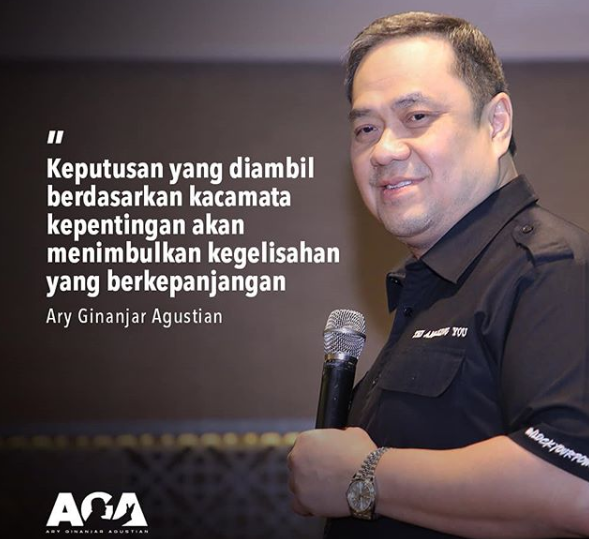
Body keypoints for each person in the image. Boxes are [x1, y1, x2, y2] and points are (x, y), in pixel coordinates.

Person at [287, 11, 589, 538]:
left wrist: (364, 474)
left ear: (496, 124)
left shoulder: (551, 270)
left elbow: (575, 486)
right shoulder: (437, 284)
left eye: (417, 116)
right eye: (366, 128)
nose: (384, 150)